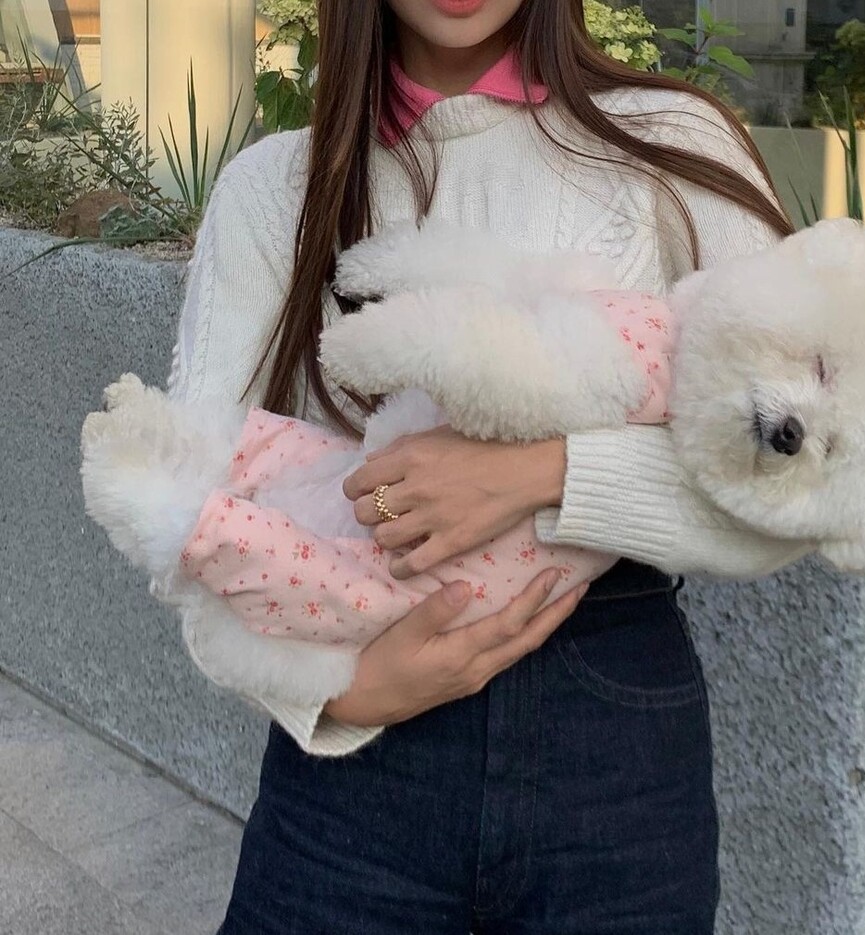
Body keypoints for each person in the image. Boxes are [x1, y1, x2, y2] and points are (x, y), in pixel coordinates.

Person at [166, 0, 809, 931]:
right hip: (357, 770)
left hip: (613, 749)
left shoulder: (670, 144)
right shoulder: (275, 190)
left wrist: (545, 474)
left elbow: (804, 474)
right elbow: (182, 504)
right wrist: (338, 693)